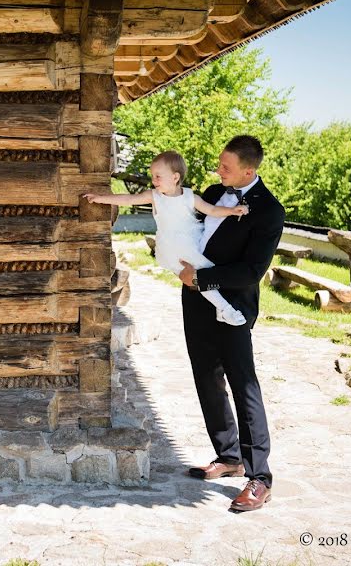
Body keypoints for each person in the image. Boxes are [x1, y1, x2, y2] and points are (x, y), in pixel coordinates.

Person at [176, 135, 285, 512]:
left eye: (226, 166)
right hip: (195, 302)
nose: (218, 171)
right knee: (206, 376)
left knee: (243, 383)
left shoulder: (269, 211)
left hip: (232, 306)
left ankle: (260, 477)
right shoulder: (211, 192)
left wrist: (202, 280)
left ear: (248, 171)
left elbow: (253, 270)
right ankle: (229, 456)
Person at [83, 150, 249, 326]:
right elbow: (128, 199)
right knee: (201, 271)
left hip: (191, 242)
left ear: (175, 177)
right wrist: (101, 198)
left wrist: (231, 211)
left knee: (205, 273)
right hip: (173, 248)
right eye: (153, 176)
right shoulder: (154, 196)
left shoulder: (190, 197)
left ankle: (222, 309)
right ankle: (225, 309)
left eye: (158, 176)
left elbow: (213, 211)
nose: (154, 181)